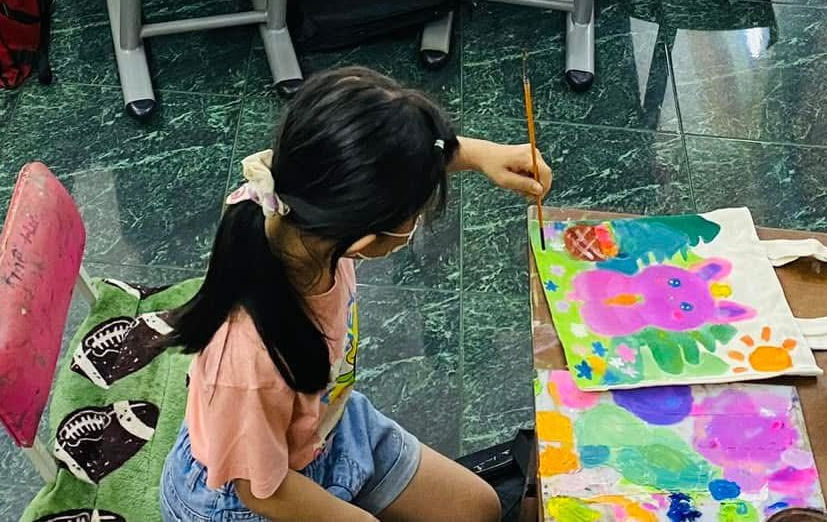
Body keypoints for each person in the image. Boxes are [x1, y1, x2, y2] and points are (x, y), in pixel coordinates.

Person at [160, 66, 551, 522]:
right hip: (243, 498)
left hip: (326, 429)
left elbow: (386, 161)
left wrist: (481, 155)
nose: (417, 222)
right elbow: (261, 490)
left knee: (478, 509)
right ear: (366, 240)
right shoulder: (247, 363)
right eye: (415, 215)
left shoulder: (304, 205)